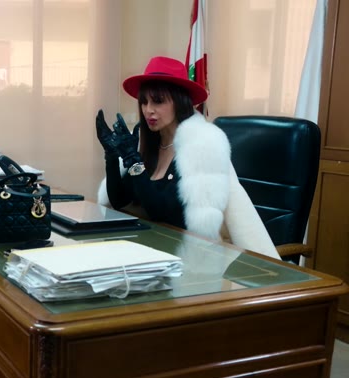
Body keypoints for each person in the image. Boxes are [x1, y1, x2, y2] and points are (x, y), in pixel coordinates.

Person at [96, 56, 279, 259]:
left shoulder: (202, 147)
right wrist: (111, 155)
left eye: (158, 101)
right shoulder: (146, 141)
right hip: (147, 252)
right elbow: (119, 200)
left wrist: (134, 162)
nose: (148, 110)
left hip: (190, 260)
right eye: (144, 102)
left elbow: (164, 216)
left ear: (179, 102)